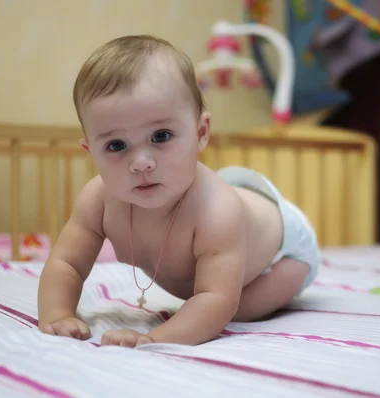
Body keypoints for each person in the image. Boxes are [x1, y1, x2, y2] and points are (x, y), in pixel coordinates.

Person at [37, 34, 320, 347]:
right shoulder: (98, 200)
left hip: (284, 249)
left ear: (200, 133)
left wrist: (152, 338)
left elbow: (216, 299)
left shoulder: (217, 211)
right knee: (202, 300)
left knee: (237, 309)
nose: (141, 163)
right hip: (216, 208)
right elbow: (67, 263)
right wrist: (57, 313)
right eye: (116, 145)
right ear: (91, 153)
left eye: (161, 136)